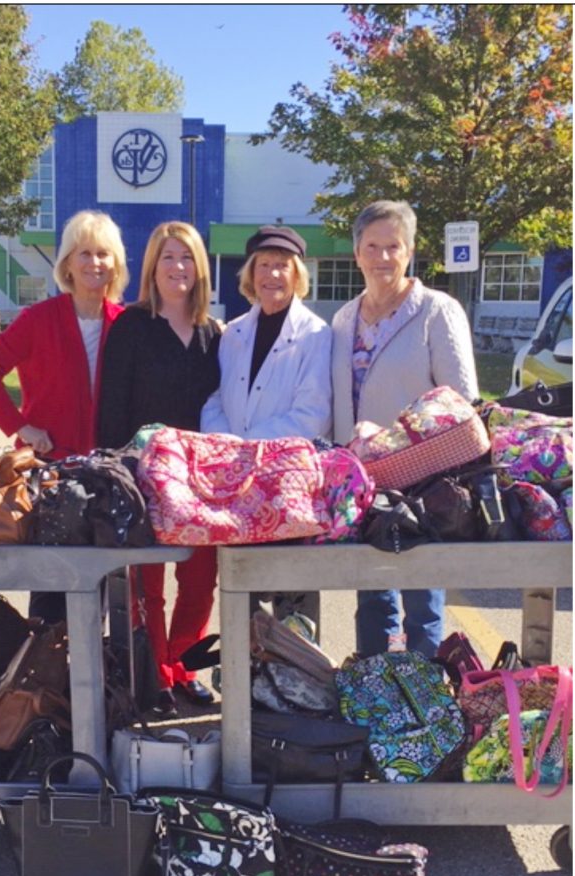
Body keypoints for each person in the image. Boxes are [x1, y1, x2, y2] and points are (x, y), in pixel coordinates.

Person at [331, 199, 479, 659]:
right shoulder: (342, 320)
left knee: (421, 600)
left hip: (424, 480)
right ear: (357, 253)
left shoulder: (437, 311)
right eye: (372, 246)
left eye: (393, 246)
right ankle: (377, 693)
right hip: (363, 481)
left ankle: (426, 700)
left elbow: (462, 401)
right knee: (373, 595)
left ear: (410, 250)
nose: (382, 258)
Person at [0, 209, 128, 623]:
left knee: (103, 587)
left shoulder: (127, 324)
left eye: (104, 254)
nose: (95, 263)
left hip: (108, 475)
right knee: (51, 588)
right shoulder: (39, 320)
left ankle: (93, 678)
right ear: (68, 265)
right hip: (51, 472)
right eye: (85, 253)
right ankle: (44, 681)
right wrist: (20, 426)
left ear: (116, 264)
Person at [98, 222, 221, 715]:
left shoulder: (214, 334)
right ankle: (151, 673)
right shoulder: (132, 326)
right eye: (168, 258)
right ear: (152, 267)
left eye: (187, 258)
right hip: (143, 475)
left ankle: (182, 666)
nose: (177, 268)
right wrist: (115, 473)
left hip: (203, 480)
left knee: (200, 577)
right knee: (148, 582)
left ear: (200, 268)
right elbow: (112, 409)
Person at [201, 224, 332, 626]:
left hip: (288, 485)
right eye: (263, 265)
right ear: (250, 274)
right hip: (237, 485)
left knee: (295, 607)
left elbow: (312, 414)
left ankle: (300, 685)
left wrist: (246, 448)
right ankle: (247, 688)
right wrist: (223, 444)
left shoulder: (316, 334)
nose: (272, 275)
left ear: (297, 274)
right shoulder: (233, 332)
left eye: (282, 265)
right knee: (244, 602)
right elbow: (214, 397)